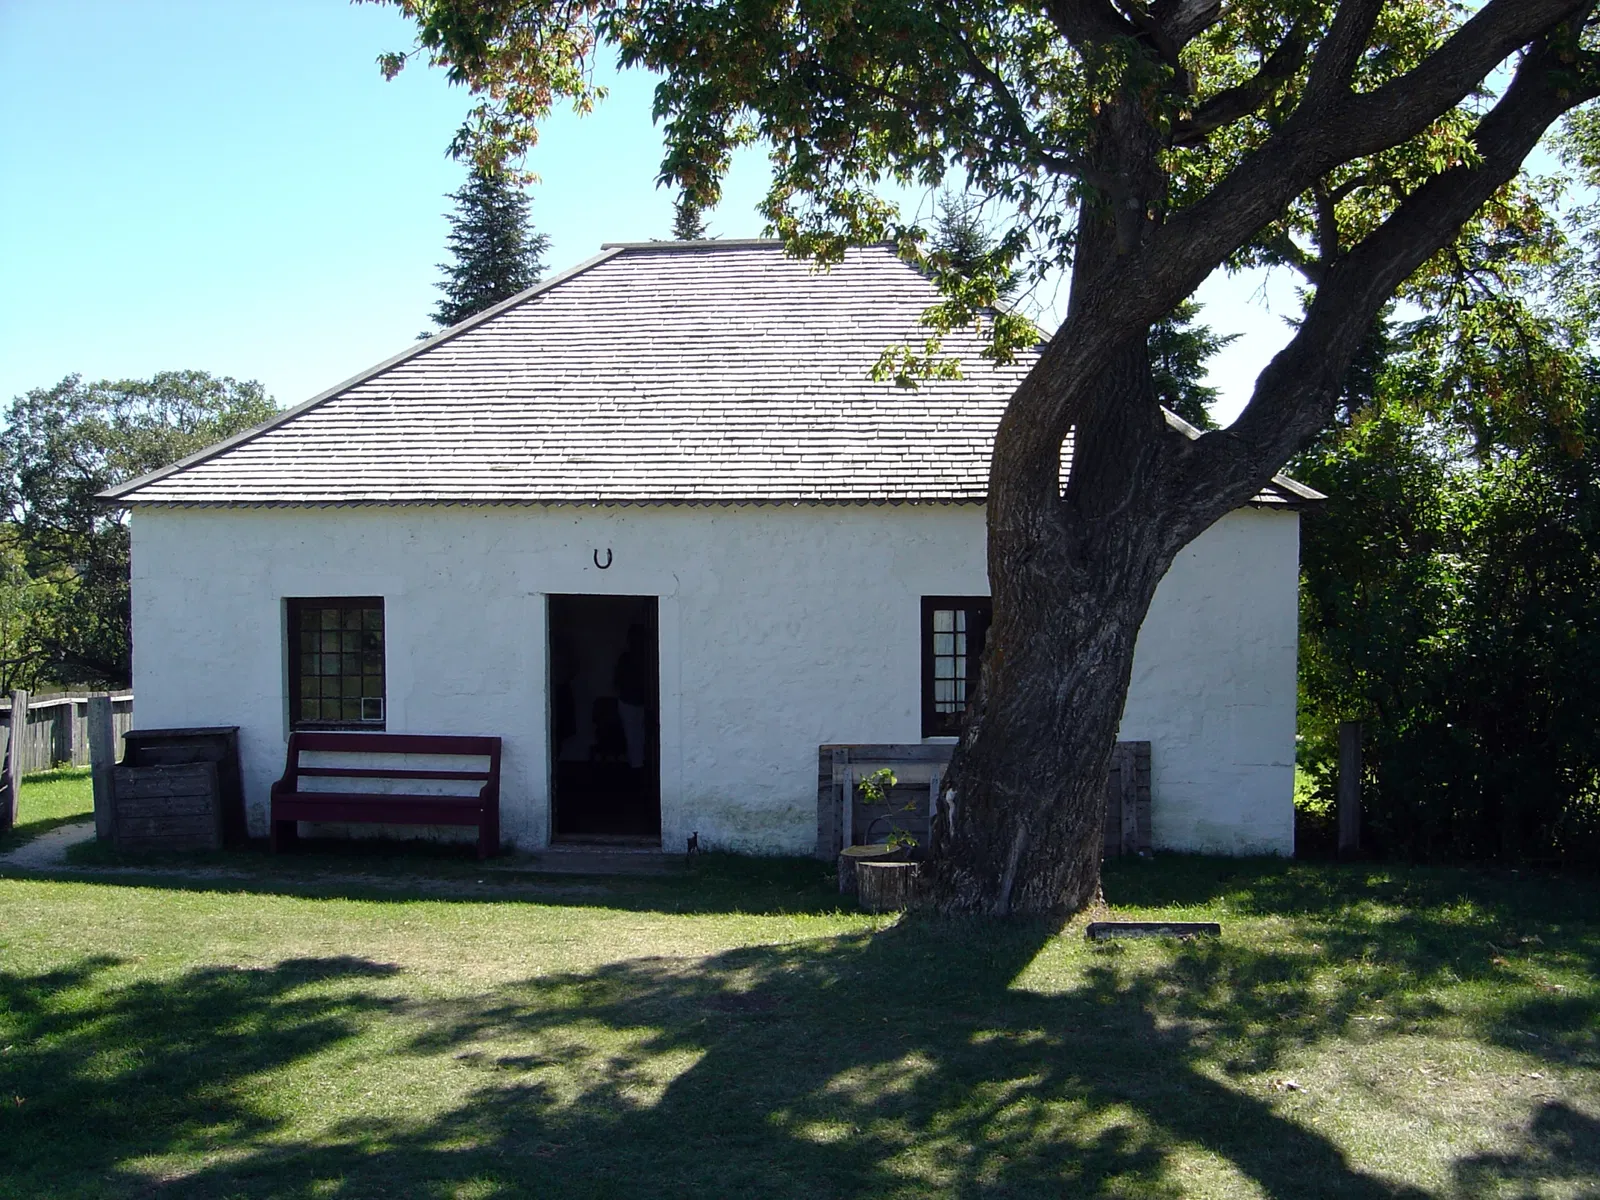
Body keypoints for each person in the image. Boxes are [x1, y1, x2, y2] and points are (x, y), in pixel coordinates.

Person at [614, 623, 651, 771]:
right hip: (632, 701)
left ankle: (637, 767)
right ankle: (638, 767)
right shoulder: (643, 658)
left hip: (635, 701)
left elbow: (617, 681)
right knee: (636, 735)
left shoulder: (643, 658)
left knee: (636, 735)